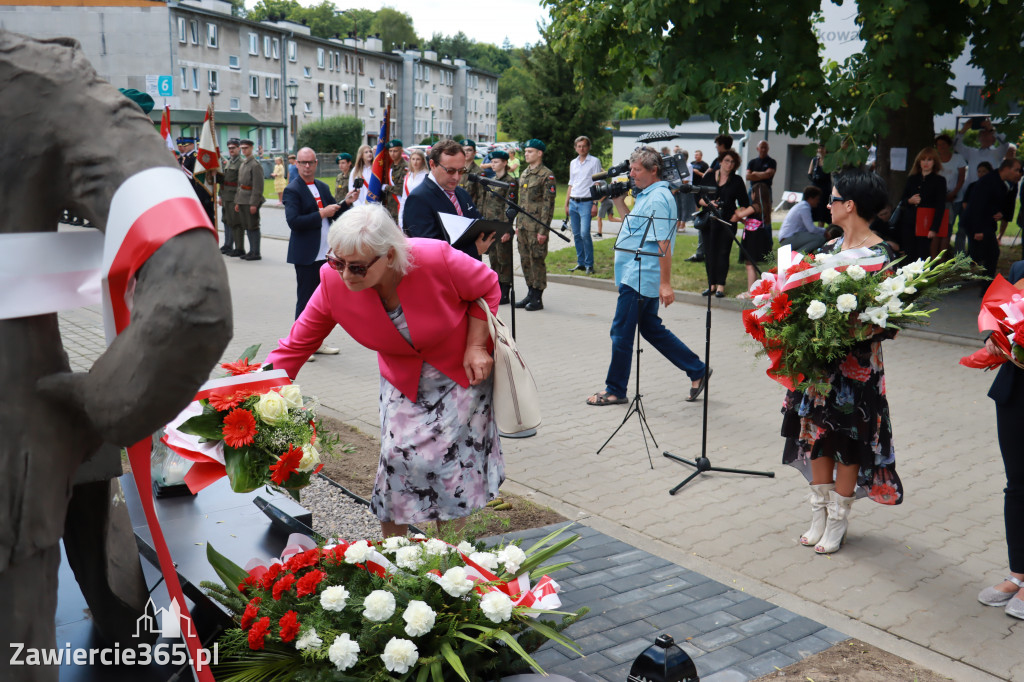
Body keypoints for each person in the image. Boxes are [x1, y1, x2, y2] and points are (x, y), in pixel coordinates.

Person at [264, 204, 504, 538]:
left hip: (456, 373)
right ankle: (395, 554)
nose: (346, 275)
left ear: (389, 255)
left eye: (357, 267)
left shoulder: (436, 258)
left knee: (450, 467)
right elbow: (295, 346)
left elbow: (488, 286)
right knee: (397, 458)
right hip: (401, 378)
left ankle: (454, 559)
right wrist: (245, 393)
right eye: (337, 262)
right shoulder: (333, 283)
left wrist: (477, 346)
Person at [781, 168, 902, 555]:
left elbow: (891, 321)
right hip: (820, 365)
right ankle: (818, 513)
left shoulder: (880, 255)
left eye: (833, 199)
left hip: (856, 369)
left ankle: (838, 520)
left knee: (848, 439)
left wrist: (852, 328)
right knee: (818, 435)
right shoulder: (829, 248)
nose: (828, 204)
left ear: (849, 206)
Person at [585, 146, 709, 407]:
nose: (632, 174)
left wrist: (665, 283)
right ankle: (696, 369)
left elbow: (663, 242)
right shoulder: (646, 195)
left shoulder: (658, 198)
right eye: (631, 169)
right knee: (651, 329)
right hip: (636, 272)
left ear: (654, 171)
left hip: (642, 276)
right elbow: (634, 230)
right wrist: (619, 201)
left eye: (637, 169)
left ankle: (615, 390)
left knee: (621, 333)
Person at [977, 259, 1024, 621]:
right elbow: (999, 315)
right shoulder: (1021, 267)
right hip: (1016, 392)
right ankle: (1018, 575)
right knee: (1018, 486)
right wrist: (995, 339)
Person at [282, 145, 358, 327]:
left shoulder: (322, 187)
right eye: (302, 163)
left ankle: (316, 342)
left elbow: (336, 213)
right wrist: (321, 213)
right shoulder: (292, 190)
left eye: (310, 162)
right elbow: (294, 222)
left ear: (316, 164)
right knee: (306, 300)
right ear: (297, 164)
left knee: (323, 302)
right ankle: (299, 346)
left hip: (326, 254)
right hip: (306, 255)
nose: (307, 166)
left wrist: (347, 203)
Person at [402, 139, 494, 261]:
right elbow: (428, 251)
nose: (456, 177)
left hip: (468, 271)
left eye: (461, 171)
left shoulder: (460, 193)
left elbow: (475, 222)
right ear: (432, 164)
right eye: (450, 171)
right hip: (442, 276)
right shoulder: (418, 199)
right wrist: (474, 249)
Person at [699, 149, 754, 297]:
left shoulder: (736, 180)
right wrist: (710, 203)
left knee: (723, 252)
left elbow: (744, 203)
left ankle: (720, 286)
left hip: (727, 222)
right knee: (709, 252)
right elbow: (698, 198)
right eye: (727, 161)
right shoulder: (709, 176)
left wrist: (738, 216)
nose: (729, 164)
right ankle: (711, 284)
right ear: (720, 161)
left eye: (732, 162)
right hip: (709, 221)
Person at [514, 139, 557, 311]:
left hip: (536, 227)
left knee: (537, 260)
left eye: (530, 151)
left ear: (539, 153)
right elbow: (521, 202)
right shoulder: (524, 173)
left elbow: (548, 206)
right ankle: (530, 293)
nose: (526, 154)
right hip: (523, 226)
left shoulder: (547, 175)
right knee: (525, 260)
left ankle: (538, 297)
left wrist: (543, 230)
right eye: (525, 151)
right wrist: (517, 224)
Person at [966, 158, 1023, 280]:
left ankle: (985, 282)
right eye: (1016, 170)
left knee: (988, 253)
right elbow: (977, 206)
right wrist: (978, 229)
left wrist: (1001, 213)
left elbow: (1000, 203)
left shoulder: (1002, 183)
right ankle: (982, 282)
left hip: (987, 222)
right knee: (985, 253)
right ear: (1006, 169)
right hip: (978, 223)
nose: (1018, 173)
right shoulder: (988, 181)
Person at [478, 149, 518, 304]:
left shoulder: (510, 182)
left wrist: (507, 229)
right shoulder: (492, 179)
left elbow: (511, 207)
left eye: (495, 162)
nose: (492, 164)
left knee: (504, 260)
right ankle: (495, 289)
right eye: (492, 162)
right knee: (493, 259)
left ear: (504, 163)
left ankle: (505, 291)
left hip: (502, 227)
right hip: (490, 226)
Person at [898, 147, 947, 261]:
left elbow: (940, 206)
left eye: (929, 160)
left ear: (934, 162)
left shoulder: (939, 180)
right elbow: (902, 200)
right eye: (923, 159)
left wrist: (934, 228)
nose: (926, 163)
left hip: (926, 224)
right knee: (908, 254)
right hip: (909, 222)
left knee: (922, 254)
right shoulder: (912, 179)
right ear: (919, 161)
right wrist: (910, 201)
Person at [565, 135, 602, 274]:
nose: (581, 148)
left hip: (587, 202)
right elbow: (571, 183)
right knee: (576, 234)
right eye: (579, 146)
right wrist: (566, 203)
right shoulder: (573, 163)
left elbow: (597, 183)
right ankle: (580, 263)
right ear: (575, 148)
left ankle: (589, 264)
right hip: (574, 201)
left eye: (584, 146)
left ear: (589, 147)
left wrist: (595, 204)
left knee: (585, 233)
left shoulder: (594, 161)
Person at [737, 182, 773, 297]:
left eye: (752, 192)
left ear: (755, 194)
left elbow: (741, 214)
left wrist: (736, 210)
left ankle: (750, 292)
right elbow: (750, 221)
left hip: (753, 239)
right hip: (756, 236)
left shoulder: (755, 206)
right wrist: (742, 220)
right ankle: (755, 289)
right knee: (751, 263)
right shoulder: (763, 207)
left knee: (750, 264)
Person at [935, 134, 967, 249]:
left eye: (943, 144)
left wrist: (954, 192)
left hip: (957, 198)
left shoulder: (958, 158)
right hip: (942, 200)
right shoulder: (935, 160)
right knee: (946, 228)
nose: (941, 147)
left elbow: (962, 178)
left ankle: (960, 254)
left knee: (962, 227)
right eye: (938, 145)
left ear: (949, 145)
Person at [234, 138, 265, 261]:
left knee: (253, 225)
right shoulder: (243, 164)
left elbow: (258, 186)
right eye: (242, 148)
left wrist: (254, 203)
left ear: (251, 148)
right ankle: (251, 250)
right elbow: (239, 185)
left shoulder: (255, 165)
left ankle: (256, 252)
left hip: (250, 199)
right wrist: (237, 201)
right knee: (247, 225)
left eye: (246, 148)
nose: (244, 150)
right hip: (242, 199)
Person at [176, 135, 215, 224]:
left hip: (200, 192)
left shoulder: (196, 157)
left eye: (186, 145)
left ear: (191, 145)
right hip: (190, 191)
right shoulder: (184, 158)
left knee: (206, 216)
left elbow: (196, 176)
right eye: (183, 145)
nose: (184, 147)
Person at [219, 138, 243, 256]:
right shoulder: (229, 162)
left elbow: (241, 184)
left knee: (234, 222)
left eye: (233, 148)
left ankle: (236, 247)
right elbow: (223, 181)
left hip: (234, 196)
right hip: (225, 196)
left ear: (239, 148)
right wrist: (220, 195)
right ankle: (227, 244)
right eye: (229, 148)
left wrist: (239, 200)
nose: (231, 150)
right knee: (226, 221)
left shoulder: (241, 163)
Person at [397, 149, 428, 230]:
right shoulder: (408, 175)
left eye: (418, 159)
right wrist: (400, 216)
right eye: (413, 159)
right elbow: (404, 198)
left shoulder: (426, 176)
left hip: (421, 211)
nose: (415, 162)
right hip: (408, 211)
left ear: (423, 161)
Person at [381, 139, 407, 223]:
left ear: (401, 151)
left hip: (399, 206)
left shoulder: (405, 167)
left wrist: (386, 187)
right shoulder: (390, 166)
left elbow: (401, 189)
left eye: (395, 151)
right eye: (390, 151)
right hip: (390, 207)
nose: (392, 153)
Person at [808, 144, 833, 226]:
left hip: (826, 189)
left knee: (826, 212)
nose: (821, 150)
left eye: (823, 148)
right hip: (816, 189)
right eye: (819, 148)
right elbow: (809, 173)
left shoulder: (830, 160)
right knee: (816, 212)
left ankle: (827, 231)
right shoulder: (815, 160)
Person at [457, 139, 485, 208]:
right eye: (463, 150)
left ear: (475, 152)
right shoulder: (455, 170)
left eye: (469, 150)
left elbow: (481, 197)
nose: (466, 152)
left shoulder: (479, 172)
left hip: (470, 211)